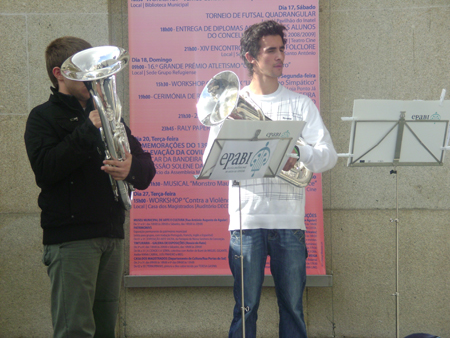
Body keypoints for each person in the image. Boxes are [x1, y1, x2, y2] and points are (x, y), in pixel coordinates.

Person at [204, 21, 337, 338]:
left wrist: (298, 155)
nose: (280, 56)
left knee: (292, 307)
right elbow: (211, 161)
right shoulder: (227, 107)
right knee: (245, 309)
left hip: (289, 221)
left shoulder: (300, 104)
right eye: (271, 50)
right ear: (251, 57)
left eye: (282, 49)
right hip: (245, 222)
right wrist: (236, 141)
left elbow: (328, 155)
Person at [24, 36, 156, 338]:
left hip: (111, 234)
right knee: (75, 330)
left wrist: (129, 168)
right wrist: (88, 129)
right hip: (71, 241)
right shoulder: (42, 117)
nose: (92, 78)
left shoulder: (110, 115)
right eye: (82, 71)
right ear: (58, 73)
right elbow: (46, 170)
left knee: (105, 329)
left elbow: (147, 170)